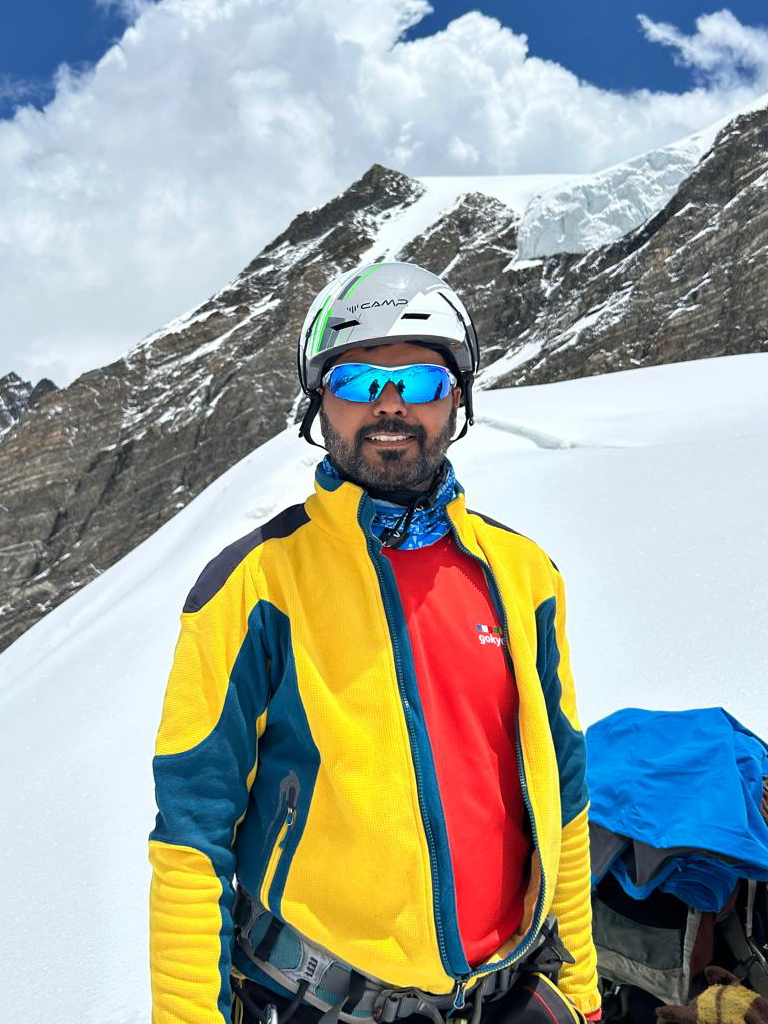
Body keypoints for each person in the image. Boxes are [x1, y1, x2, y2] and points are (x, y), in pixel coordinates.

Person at [149, 262, 601, 1024]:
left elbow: (565, 797)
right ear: (319, 400)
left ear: (457, 398)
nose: (390, 405)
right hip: (314, 1002)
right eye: (358, 382)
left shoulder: (525, 576)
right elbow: (192, 834)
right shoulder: (255, 586)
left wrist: (581, 994)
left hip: (508, 996)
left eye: (420, 382)